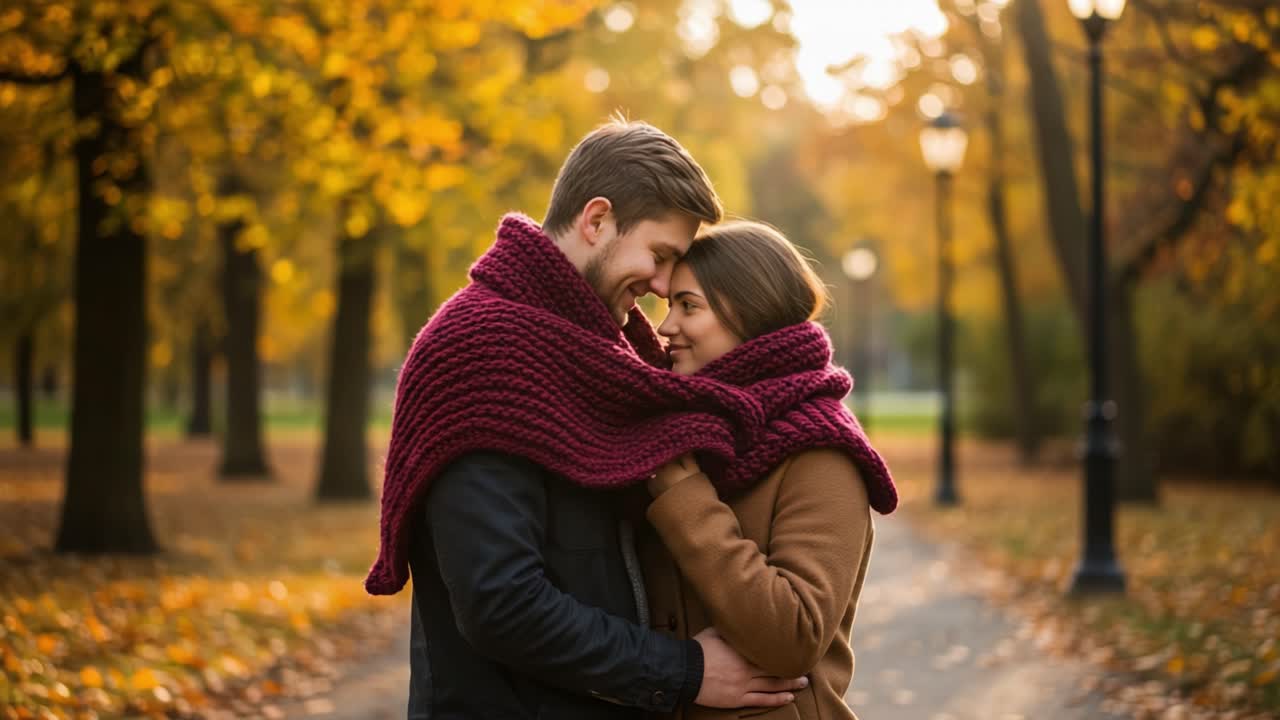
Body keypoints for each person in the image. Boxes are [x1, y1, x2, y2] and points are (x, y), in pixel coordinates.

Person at [367, 120, 811, 719]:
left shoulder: (597, 349)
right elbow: (502, 602)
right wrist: (684, 671)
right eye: (660, 257)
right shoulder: (483, 351)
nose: (660, 288)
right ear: (596, 220)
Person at [641, 220, 889, 720]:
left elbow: (794, 635)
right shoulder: (681, 435)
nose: (666, 327)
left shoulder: (821, 452)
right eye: (669, 307)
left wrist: (685, 497)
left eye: (689, 306)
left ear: (749, 312)